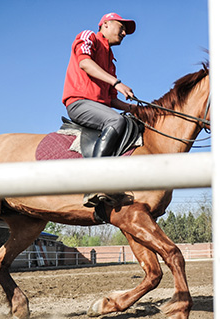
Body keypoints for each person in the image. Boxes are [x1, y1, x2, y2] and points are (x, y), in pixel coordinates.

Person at [62, 12, 137, 207]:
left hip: (99, 107)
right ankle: (94, 184)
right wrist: (117, 82)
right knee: (116, 121)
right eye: (121, 27)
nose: (124, 33)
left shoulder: (111, 62)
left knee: (127, 121)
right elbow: (85, 63)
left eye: (125, 30)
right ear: (105, 24)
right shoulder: (89, 36)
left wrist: (134, 108)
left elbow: (111, 100)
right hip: (79, 103)